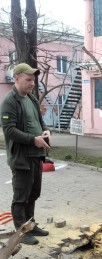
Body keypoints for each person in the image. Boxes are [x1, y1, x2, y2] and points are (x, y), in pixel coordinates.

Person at [0, 63, 51, 245]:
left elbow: (40, 121)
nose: (32, 83)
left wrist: (46, 132)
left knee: (33, 193)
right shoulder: (9, 101)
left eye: (33, 80)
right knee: (21, 196)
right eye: (28, 79)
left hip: (36, 155)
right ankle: (21, 232)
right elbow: (9, 130)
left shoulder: (31, 99)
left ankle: (30, 225)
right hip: (21, 158)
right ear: (17, 78)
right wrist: (33, 139)